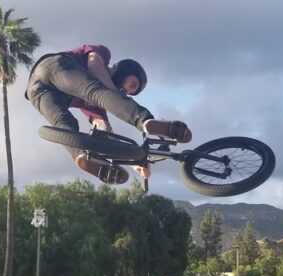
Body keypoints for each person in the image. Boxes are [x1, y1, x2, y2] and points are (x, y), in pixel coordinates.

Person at [26, 44, 192, 184]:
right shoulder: (103, 53)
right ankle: (143, 119)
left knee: (64, 124)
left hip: (36, 91)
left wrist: (135, 161)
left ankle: (83, 157)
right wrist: (115, 95)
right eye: (132, 85)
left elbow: (106, 134)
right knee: (97, 93)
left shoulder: (96, 107)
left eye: (129, 93)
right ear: (124, 70)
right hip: (53, 66)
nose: (126, 92)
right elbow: (94, 64)